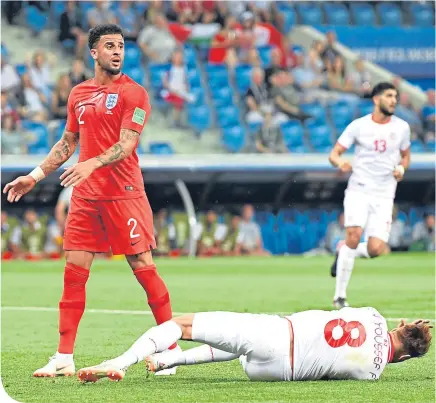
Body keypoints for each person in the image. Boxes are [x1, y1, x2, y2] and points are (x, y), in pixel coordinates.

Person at [3, 24, 178, 377]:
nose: (117, 51)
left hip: (123, 193)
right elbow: (67, 144)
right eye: (110, 46)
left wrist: (92, 163)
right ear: (94, 53)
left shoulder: (135, 93)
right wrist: (35, 176)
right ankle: (64, 357)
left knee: (143, 267)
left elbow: (127, 144)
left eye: (122, 46)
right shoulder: (78, 93)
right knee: (73, 273)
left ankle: (170, 351)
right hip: (85, 196)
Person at [77, 307, 432, 383]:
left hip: (280, 333)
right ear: (410, 357)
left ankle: (120, 362)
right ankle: (171, 363)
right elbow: (386, 357)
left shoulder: (371, 314)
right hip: (277, 373)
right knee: (243, 345)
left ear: (401, 325)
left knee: (180, 324)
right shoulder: (371, 373)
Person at [328, 82, 411, 308]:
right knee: (354, 235)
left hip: (384, 194)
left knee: (376, 249)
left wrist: (402, 169)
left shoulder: (402, 127)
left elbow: (405, 156)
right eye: (389, 96)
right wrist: (340, 162)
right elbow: (334, 153)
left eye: (395, 96)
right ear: (376, 99)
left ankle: (343, 251)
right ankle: (340, 298)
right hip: (359, 189)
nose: (394, 100)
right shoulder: (358, 126)